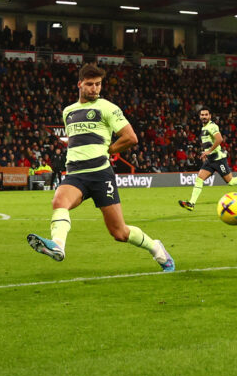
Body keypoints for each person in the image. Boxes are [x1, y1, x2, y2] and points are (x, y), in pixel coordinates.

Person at [26, 63, 173, 272]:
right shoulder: (68, 112)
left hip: (100, 175)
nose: (95, 88)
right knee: (59, 201)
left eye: (98, 84)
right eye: (90, 84)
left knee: (119, 233)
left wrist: (110, 150)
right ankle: (57, 245)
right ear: (80, 84)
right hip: (76, 174)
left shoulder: (107, 107)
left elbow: (130, 137)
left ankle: (157, 248)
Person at [178, 107, 237, 210]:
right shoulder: (204, 128)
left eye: (206, 115)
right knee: (199, 179)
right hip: (210, 160)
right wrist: (206, 153)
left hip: (218, 159)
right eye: (202, 115)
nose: (204, 116)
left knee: (231, 182)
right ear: (199, 116)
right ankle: (191, 203)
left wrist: (209, 151)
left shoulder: (212, 126)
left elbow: (219, 139)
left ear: (210, 116)